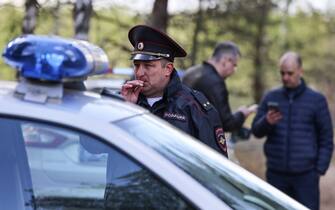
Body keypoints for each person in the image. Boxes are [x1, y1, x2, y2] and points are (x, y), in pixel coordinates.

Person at [121, 25, 228, 157]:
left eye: (148, 66)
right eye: (136, 65)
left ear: (168, 69)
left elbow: (216, 164)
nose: (139, 73)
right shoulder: (122, 101)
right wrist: (126, 109)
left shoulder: (193, 107)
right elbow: (95, 148)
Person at [251, 51, 333, 210]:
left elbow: (326, 138)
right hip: (276, 175)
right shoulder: (271, 97)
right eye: (282, 73)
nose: (285, 77)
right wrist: (267, 122)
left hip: (306, 177)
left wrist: (318, 170)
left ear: (300, 71)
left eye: (290, 73)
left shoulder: (317, 100)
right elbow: (256, 130)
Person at [182, 41, 257, 133]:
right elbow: (226, 123)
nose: (234, 70)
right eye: (234, 65)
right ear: (226, 60)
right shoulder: (216, 83)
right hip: (194, 138)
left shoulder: (192, 71)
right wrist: (243, 113)